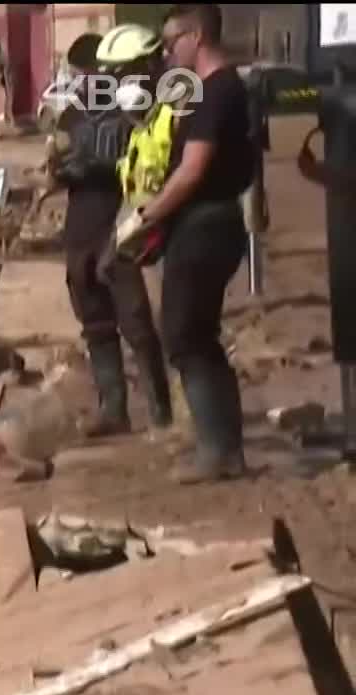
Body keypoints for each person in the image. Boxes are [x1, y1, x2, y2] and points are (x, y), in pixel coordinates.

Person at [135, 3, 259, 483]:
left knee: (184, 333)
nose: (167, 54)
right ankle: (222, 446)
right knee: (195, 333)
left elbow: (191, 172)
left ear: (199, 35)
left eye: (172, 42)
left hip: (206, 223)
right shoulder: (215, 92)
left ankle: (219, 451)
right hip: (209, 222)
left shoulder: (217, 93)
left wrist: (147, 216)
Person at [56, 27, 173, 436]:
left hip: (118, 222)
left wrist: (98, 169)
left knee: (136, 321)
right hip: (79, 226)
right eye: (78, 76)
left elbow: (141, 165)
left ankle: (162, 412)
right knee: (94, 320)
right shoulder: (72, 112)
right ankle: (114, 409)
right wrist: (63, 170)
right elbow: (60, 153)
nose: (82, 82)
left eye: (87, 74)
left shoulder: (133, 108)